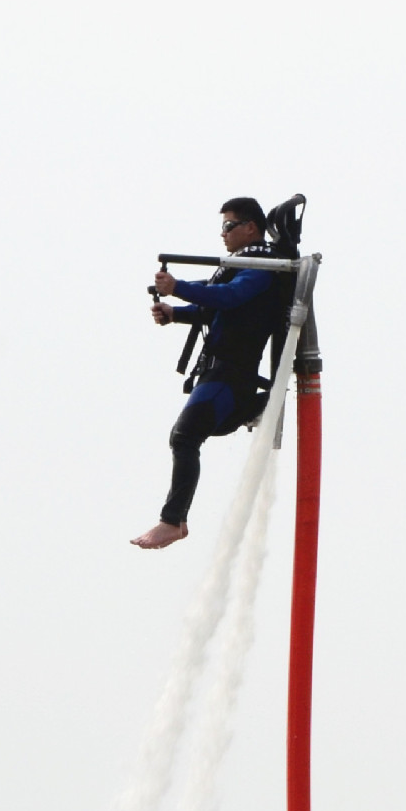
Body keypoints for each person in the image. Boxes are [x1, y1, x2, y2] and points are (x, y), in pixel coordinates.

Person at [133, 198, 288, 550]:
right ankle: (257, 406)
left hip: (230, 376)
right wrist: (175, 312)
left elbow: (230, 297)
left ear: (251, 227)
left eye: (229, 226)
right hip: (218, 375)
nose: (223, 234)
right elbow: (215, 302)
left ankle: (173, 521)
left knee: (184, 436)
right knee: (197, 432)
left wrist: (179, 287)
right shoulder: (241, 266)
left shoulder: (261, 267)